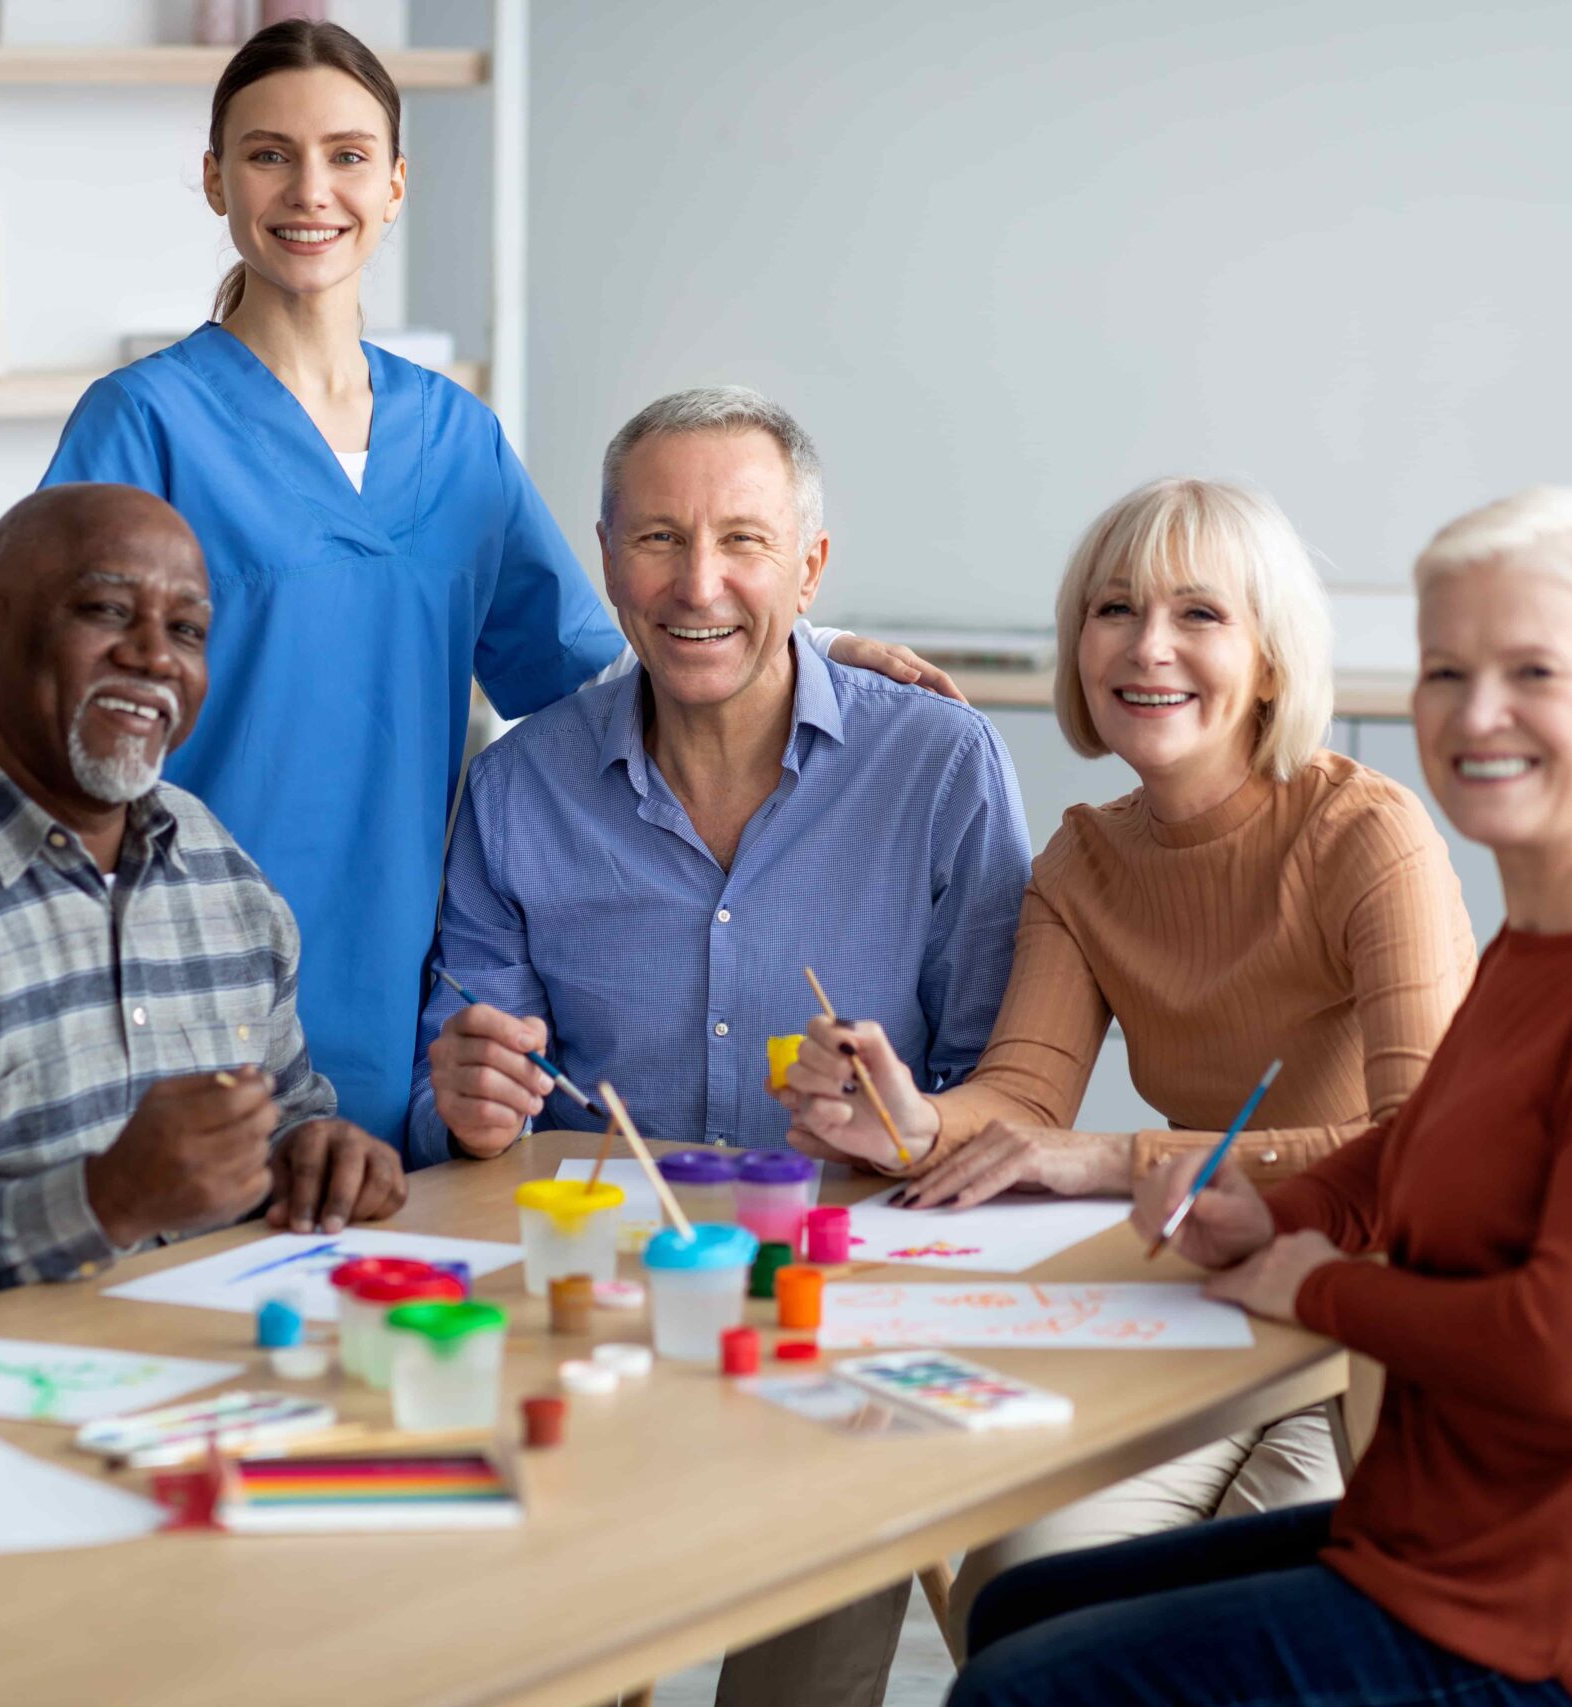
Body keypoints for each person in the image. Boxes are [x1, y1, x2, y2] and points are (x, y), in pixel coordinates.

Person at [0, 21, 958, 1149]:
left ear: (393, 185)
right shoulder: (145, 421)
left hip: (391, 979)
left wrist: (807, 647)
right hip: (174, 960)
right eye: (268, 154)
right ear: (214, 178)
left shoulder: (456, 443)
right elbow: (13, 675)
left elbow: (609, 659)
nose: (308, 189)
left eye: (344, 155)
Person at [949, 485, 1572, 1707]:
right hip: (1456, 1536)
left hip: (1564, 1607)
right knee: (1016, 1608)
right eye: (1442, 672)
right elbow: (1423, 1136)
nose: (1476, 716)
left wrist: (1310, 1281)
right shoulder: (1549, 934)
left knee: (1022, 1688)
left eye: (1532, 672)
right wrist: (1279, 1209)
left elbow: (1571, 1356)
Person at [414, 388, 1030, 1707]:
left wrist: (911, 1114)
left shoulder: (940, 765)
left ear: (809, 565)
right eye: (656, 539)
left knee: (839, 1493)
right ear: (604, 557)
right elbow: (465, 1090)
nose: (700, 583)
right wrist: (464, 1094)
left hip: (847, 1284)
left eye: (743, 540)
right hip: (596, 1293)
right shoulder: (519, 786)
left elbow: (1009, 1082)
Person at [779, 478, 1475, 1618]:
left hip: (1384, 1339)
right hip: (1212, 1310)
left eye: (1199, 614)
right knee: (1019, 1588)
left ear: (1269, 656)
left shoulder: (1368, 837)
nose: (1148, 647)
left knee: (1205, 1628)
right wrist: (911, 1121)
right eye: (1113, 609)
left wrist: (1127, 1161)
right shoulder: (1081, 861)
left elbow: (1425, 1158)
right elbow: (1023, 1098)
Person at [0, 485, 406, 1308]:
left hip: (216, 1380)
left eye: (187, 630)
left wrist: (319, 1155)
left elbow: (289, 1113)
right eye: (108, 611)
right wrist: (103, 1201)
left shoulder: (218, 868)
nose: (155, 656)